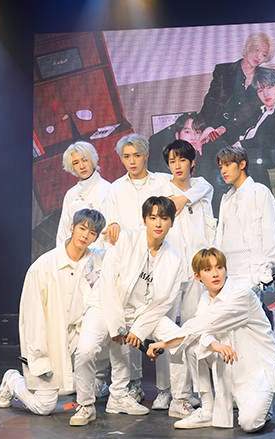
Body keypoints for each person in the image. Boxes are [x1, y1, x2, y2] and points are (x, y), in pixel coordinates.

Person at [101, 133, 202, 404]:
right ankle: (133, 384)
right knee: (131, 325)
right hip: (131, 266)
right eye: (126, 156)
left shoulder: (162, 181)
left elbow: (199, 185)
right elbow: (111, 224)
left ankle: (166, 389)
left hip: (161, 261)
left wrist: (185, 198)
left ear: (146, 155)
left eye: (137, 155)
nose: (132, 161)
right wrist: (112, 225)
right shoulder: (115, 189)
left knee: (161, 323)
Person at [70, 196, 184, 426]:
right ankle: (85, 405)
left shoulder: (175, 260)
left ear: (172, 221)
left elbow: (163, 303)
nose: (158, 223)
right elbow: (107, 284)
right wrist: (117, 326)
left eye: (164, 218)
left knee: (179, 340)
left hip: (141, 314)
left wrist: (138, 330)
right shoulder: (125, 240)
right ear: (144, 220)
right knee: (85, 350)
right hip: (103, 305)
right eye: (153, 217)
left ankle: (180, 400)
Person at [146, 248, 275, 432]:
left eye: (219, 267)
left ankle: (263, 404)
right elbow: (202, 329)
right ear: (197, 276)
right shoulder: (205, 298)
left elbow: (207, 322)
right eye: (208, 269)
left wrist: (164, 343)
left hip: (257, 371)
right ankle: (208, 410)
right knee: (193, 347)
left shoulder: (241, 294)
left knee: (249, 424)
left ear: (226, 269)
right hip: (230, 366)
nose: (215, 274)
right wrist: (214, 344)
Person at [0, 209, 106, 416]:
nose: (85, 235)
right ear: (71, 227)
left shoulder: (97, 260)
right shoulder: (43, 267)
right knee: (44, 406)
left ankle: (100, 384)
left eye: (91, 232)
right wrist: (40, 358)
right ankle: (12, 380)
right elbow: (32, 319)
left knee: (77, 384)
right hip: (49, 342)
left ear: (96, 237)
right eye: (82, 228)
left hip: (77, 338)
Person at [151, 140, 216, 416]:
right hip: (169, 269)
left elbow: (203, 188)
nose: (177, 166)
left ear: (192, 162)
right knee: (165, 328)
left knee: (192, 328)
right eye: (172, 161)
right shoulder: (160, 190)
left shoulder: (203, 188)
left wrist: (185, 198)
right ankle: (165, 389)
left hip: (196, 269)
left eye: (182, 160)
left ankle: (192, 391)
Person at [215, 145, 275, 296]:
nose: (223, 171)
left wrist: (266, 271)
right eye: (221, 167)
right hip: (227, 273)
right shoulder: (227, 198)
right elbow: (221, 237)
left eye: (227, 165)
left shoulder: (259, 191)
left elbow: (269, 232)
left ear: (242, 164)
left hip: (250, 273)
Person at [198, 32, 275, 147]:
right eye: (256, 50)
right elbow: (211, 101)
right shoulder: (224, 70)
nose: (258, 57)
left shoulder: (266, 76)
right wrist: (205, 127)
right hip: (216, 126)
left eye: (264, 54)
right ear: (248, 47)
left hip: (242, 133)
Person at [232, 67, 275, 190]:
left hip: (264, 154)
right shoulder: (258, 112)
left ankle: (267, 201)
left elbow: (271, 139)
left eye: (269, 87)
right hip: (242, 150)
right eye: (260, 90)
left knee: (248, 160)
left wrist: (241, 145)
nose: (265, 94)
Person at [56, 141, 111, 248]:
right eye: (76, 163)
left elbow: (105, 233)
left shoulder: (107, 189)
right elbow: (63, 230)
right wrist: (62, 254)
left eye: (85, 160)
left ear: (92, 160)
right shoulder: (70, 194)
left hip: (97, 252)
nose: (81, 166)